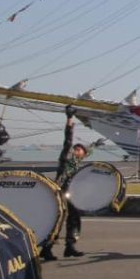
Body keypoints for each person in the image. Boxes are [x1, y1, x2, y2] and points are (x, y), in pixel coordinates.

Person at [40, 106, 102, 261]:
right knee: (57, 219)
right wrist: (69, 119)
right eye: (80, 149)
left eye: (82, 150)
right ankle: (46, 248)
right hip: (60, 190)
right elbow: (68, 139)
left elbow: (88, 151)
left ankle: (70, 247)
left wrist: (94, 145)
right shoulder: (67, 156)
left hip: (71, 193)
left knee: (74, 218)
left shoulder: (77, 160)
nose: (81, 150)